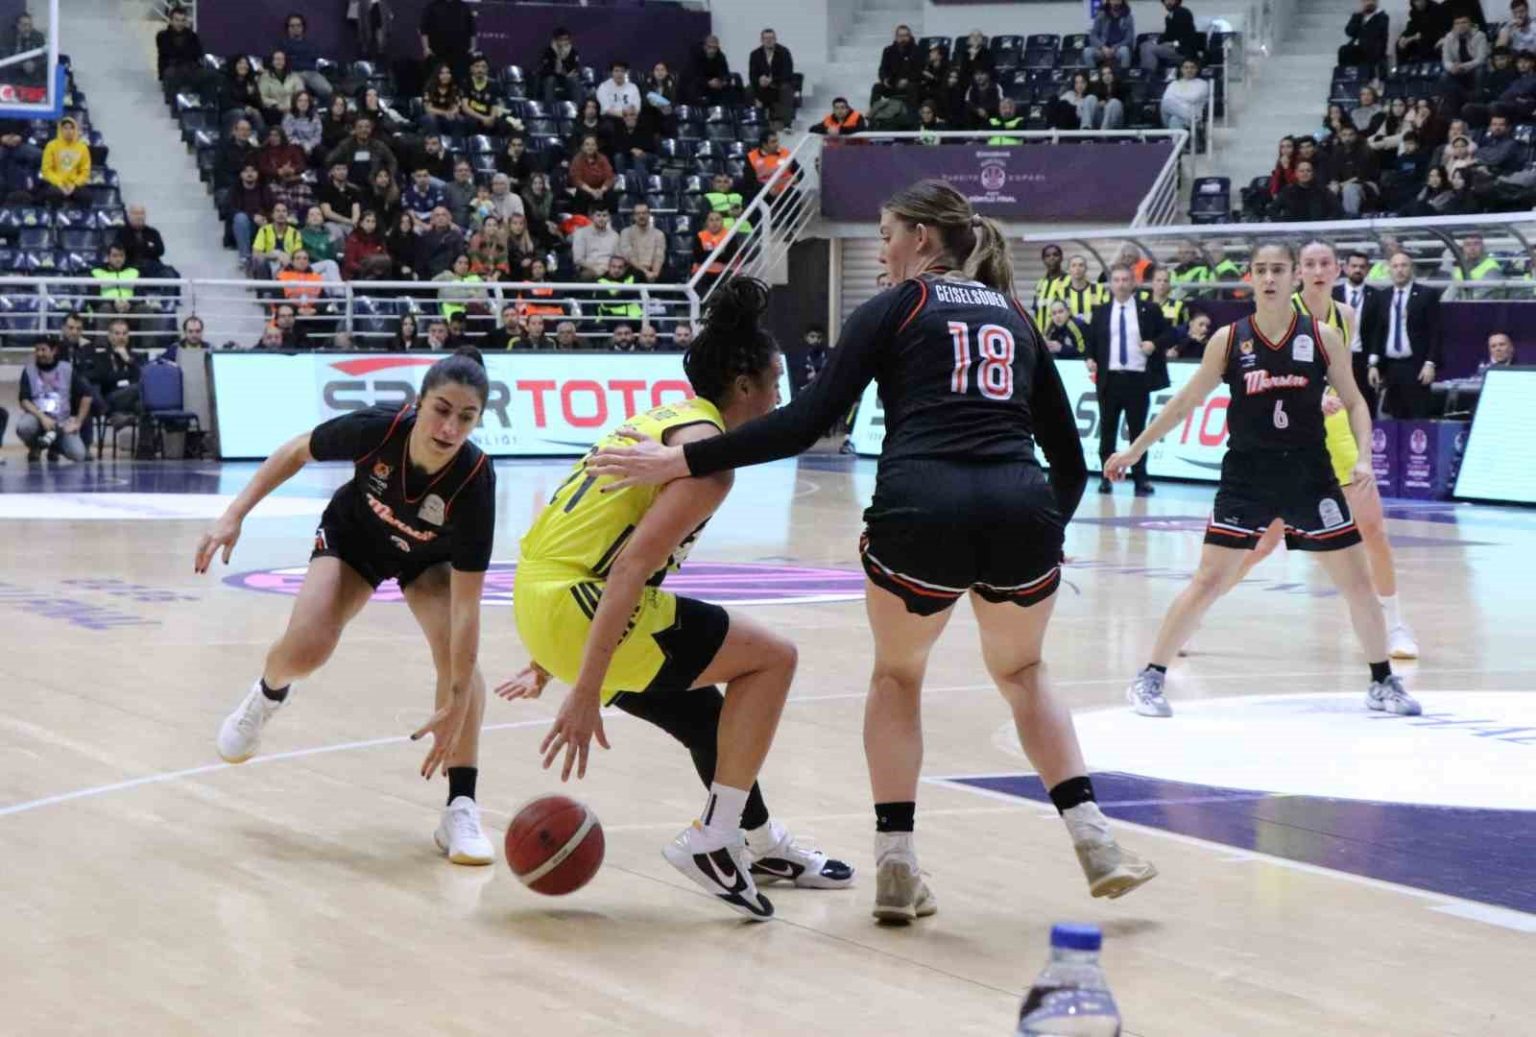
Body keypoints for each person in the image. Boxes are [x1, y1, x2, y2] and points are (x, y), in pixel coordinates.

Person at [585, 182, 1156, 923]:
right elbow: (1071, 465)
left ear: (921, 237)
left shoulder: (893, 308)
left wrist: (683, 459)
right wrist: (1049, 534)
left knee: (897, 676)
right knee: (1023, 672)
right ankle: (1095, 841)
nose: (881, 250)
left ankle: (896, 866)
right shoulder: (1015, 313)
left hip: (921, 509)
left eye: (886, 234)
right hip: (1021, 510)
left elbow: (807, 421)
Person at [501, 278, 854, 920]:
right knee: (773, 659)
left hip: (539, 599)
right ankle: (714, 840)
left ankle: (762, 844)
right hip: (582, 606)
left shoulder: (663, 419)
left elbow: (589, 532)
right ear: (744, 386)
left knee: (706, 721)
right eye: (775, 383)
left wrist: (550, 655)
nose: (780, 398)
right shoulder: (707, 460)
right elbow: (631, 566)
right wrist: (585, 687)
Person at [199, 350, 497, 862]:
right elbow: (296, 451)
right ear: (419, 403)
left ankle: (460, 808)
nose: (450, 428)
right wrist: (234, 514)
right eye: (442, 410)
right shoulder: (378, 431)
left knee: (461, 669)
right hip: (356, 536)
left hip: (427, 559)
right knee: (307, 648)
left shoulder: (474, 481)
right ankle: (266, 696)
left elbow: (468, 608)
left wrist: (455, 700)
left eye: (466, 417)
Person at [1108, 241, 1420, 719]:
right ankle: (1150, 677)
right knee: (1209, 580)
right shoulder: (1229, 339)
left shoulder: (1322, 337)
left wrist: (1364, 459)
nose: (1270, 278)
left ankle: (1382, 682)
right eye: (1261, 270)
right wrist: (1135, 449)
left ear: (1294, 276)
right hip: (1247, 476)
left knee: (1358, 583)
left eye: (1278, 269)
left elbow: (1357, 401)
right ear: (1250, 277)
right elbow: (1185, 402)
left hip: (1310, 476)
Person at [1222, 243, 1417, 657]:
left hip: (1337, 431)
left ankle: (1396, 626)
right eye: (1309, 264)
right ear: (1298, 272)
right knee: (1262, 544)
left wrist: (1334, 400)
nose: (1317, 271)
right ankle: (1198, 612)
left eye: (1324, 264)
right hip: (1288, 436)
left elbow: (1342, 379)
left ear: (1337, 270)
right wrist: (1311, 397)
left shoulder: (1345, 315)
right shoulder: (1280, 311)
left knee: (1373, 531)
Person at [1086, 264, 1170, 496]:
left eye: (1125, 280)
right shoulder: (1101, 312)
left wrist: (1154, 344)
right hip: (1110, 380)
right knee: (1107, 431)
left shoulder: (1149, 309)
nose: (1121, 284)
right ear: (1111, 284)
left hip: (1137, 380)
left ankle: (1140, 479)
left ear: (1134, 283)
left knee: (1138, 433)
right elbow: (1090, 340)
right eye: (1117, 280)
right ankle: (1106, 478)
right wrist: (1090, 358)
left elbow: (1169, 334)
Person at [1367, 251, 1442, 418]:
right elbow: (1378, 332)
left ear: (1411, 268)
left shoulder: (1426, 294)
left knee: (1418, 419)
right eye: (1395, 266)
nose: (1399, 270)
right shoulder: (1383, 296)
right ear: (1389, 270)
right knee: (1394, 417)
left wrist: (1430, 363)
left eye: (1403, 265)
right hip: (1391, 367)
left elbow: (1436, 332)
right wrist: (1373, 365)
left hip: (1416, 366)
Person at [17, 339, 93, 463]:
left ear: (54, 351)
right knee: (24, 427)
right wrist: (42, 417)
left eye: (43, 350)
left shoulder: (67, 369)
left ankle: (55, 447)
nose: (39, 353)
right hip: (38, 417)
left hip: (62, 421)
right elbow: (24, 400)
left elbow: (87, 396)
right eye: (37, 350)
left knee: (78, 454)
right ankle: (35, 447)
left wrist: (77, 422)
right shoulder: (29, 370)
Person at [1333, 250, 1381, 416]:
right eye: (1354, 266)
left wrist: (1374, 364)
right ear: (1345, 268)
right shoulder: (1332, 294)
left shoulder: (1376, 296)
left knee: (1365, 407)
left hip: (1363, 360)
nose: (1357, 270)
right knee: (1338, 407)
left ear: (1367, 270)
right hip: (1338, 359)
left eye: (1362, 267)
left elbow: (1378, 332)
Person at [281, 13, 335, 102]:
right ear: (288, 28)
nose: (295, 28)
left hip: (311, 72)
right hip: (293, 73)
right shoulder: (283, 44)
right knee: (300, 93)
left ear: (303, 27)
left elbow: (316, 59)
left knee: (327, 90)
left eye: (298, 25)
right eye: (292, 26)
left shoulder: (310, 44)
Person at [1440, 13, 1490, 108]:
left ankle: (1478, 104)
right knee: (1444, 75)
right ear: (1453, 26)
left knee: (1480, 70)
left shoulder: (1479, 36)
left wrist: (1463, 66)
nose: (1461, 26)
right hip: (1458, 71)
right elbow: (1446, 60)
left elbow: (1481, 59)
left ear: (1470, 24)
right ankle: (1454, 105)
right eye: (1457, 23)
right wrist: (1452, 67)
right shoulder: (1449, 37)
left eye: (1464, 22)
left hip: (1474, 68)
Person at [749, 28, 796, 127]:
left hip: (779, 84)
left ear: (775, 39)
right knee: (748, 90)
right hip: (762, 85)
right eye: (766, 38)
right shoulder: (755, 54)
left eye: (771, 38)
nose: (769, 41)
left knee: (786, 88)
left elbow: (787, 73)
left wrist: (772, 80)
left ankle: (785, 124)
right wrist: (760, 80)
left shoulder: (784, 52)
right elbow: (752, 74)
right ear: (761, 40)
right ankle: (754, 121)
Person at [38, 117, 90, 206]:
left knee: (86, 196)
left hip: (74, 183)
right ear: (60, 130)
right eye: (65, 128)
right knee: (54, 194)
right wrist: (59, 183)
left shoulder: (82, 148)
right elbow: (46, 170)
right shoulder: (51, 146)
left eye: (71, 128)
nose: (69, 131)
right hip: (56, 182)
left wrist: (74, 184)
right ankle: (54, 214)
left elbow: (85, 171)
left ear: (75, 130)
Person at [419, 0, 477, 78]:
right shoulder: (432, 6)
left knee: (459, 77)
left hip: (460, 52)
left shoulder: (464, 7)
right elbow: (424, 29)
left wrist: (473, 47)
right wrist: (426, 48)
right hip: (437, 52)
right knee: (437, 78)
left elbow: (472, 29)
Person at [1271, 159, 1344, 220]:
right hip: (1293, 229)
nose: (1305, 173)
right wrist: (1283, 224)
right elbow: (1272, 210)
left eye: (1308, 171)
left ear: (1313, 173)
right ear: (1296, 174)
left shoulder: (1323, 191)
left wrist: (1325, 223)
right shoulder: (1287, 191)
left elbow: (1338, 210)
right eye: (1301, 171)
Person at [1142, 0, 1204, 71]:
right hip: (1174, 48)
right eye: (1166, 0)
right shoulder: (1169, 17)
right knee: (1146, 44)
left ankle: (1148, 74)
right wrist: (1156, 40)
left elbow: (1187, 40)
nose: (1168, 2)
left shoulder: (1182, 13)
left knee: (1148, 48)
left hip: (1183, 51)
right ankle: (1148, 73)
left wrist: (1173, 44)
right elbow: (1168, 36)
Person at [875, 25, 923, 107]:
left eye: (905, 35)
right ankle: (874, 112)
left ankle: (912, 112)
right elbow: (882, 69)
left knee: (912, 87)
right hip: (893, 83)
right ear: (896, 37)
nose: (903, 38)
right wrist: (885, 79)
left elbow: (920, 70)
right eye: (900, 36)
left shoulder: (917, 51)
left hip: (910, 83)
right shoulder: (888, 51)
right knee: (877, 87)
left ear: (910, 36)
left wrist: (908, 80)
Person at [619, 201, 667, 283]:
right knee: (635, 275)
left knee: (671, 274)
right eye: (638, 214)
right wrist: (645, 272)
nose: (641, 216)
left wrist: (655, 273)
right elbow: (629, 256)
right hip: (634, 269)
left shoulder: (659, 234)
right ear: (634, 216)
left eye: (644, 213)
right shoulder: (625, 233)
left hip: (653, 269)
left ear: (649, 214)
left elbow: (659, 256)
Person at [1160, 58, 1209, 132]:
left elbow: (1194, 97)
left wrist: (1176, 97)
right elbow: (1166, 100)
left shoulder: (1202, 83)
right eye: (1186, 67)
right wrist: (1183, 99)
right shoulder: (1174, 83)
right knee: (1166, 103)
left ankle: (1176, 140)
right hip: (1176, 115)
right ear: (1181, 69)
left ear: (1197, 69)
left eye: (1192, 67)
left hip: (1193, 115)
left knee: (1174, 119)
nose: (1189, 70)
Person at [1339, 0, 1390, 71]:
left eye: (1370, 1)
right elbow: (1349, 32)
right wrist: (1357, 16)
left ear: (1375, 2)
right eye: (1365, 1)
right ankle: (1345, 75)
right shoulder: (1358, 16)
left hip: (1372, 49)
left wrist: (1364, 24)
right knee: (1344, 50)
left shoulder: (1382, 17)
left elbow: (1374, 33)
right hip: (1356, 49)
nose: (1367, 3)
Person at [537, 26, 582, 106]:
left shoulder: (572, 52)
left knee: (574, 80)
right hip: (553, 79)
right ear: (555, 41)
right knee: (550, 80)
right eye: (561, 40)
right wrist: (558, 56)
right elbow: (546, 71)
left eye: (566, 39)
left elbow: (575, 69)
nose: (564, 42)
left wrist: (568, 72)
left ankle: (578, 107)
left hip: (566, 80)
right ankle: (549, 107)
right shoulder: (548, 52)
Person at [571, 207, 619, 280]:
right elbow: (578, 259)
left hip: (610, 269)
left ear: (609, 218)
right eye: (598, 215)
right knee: (586, 275)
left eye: (604, 215)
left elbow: (618, 257)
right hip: (589, 268)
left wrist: (609, 268)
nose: (601, 219)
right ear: (592, 217)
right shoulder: (581, 233)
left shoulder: (615, 235)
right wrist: (596, 268)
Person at [1087, 0, 1136, 68]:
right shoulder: (1101, 15)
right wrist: (1102, 47)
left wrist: (1115, 47)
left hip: (1119, 48)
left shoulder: (1127, 16)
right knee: (1087, 52)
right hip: (1103, 48)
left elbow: (1129, 39)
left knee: (1124, 50)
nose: (1115, 2)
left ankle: (1124, 73)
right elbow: (1093, 35)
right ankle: (1094, 73)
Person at [1032, 244, 1068, 327]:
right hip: (1041, 333)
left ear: (1061, 258)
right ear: (1043, 260)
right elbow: (1036, 311)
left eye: (1055, 255)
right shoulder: (1040, 284)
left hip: (1061, 333)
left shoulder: (1069, 281)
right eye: (1047, 256)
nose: (1052, 258)